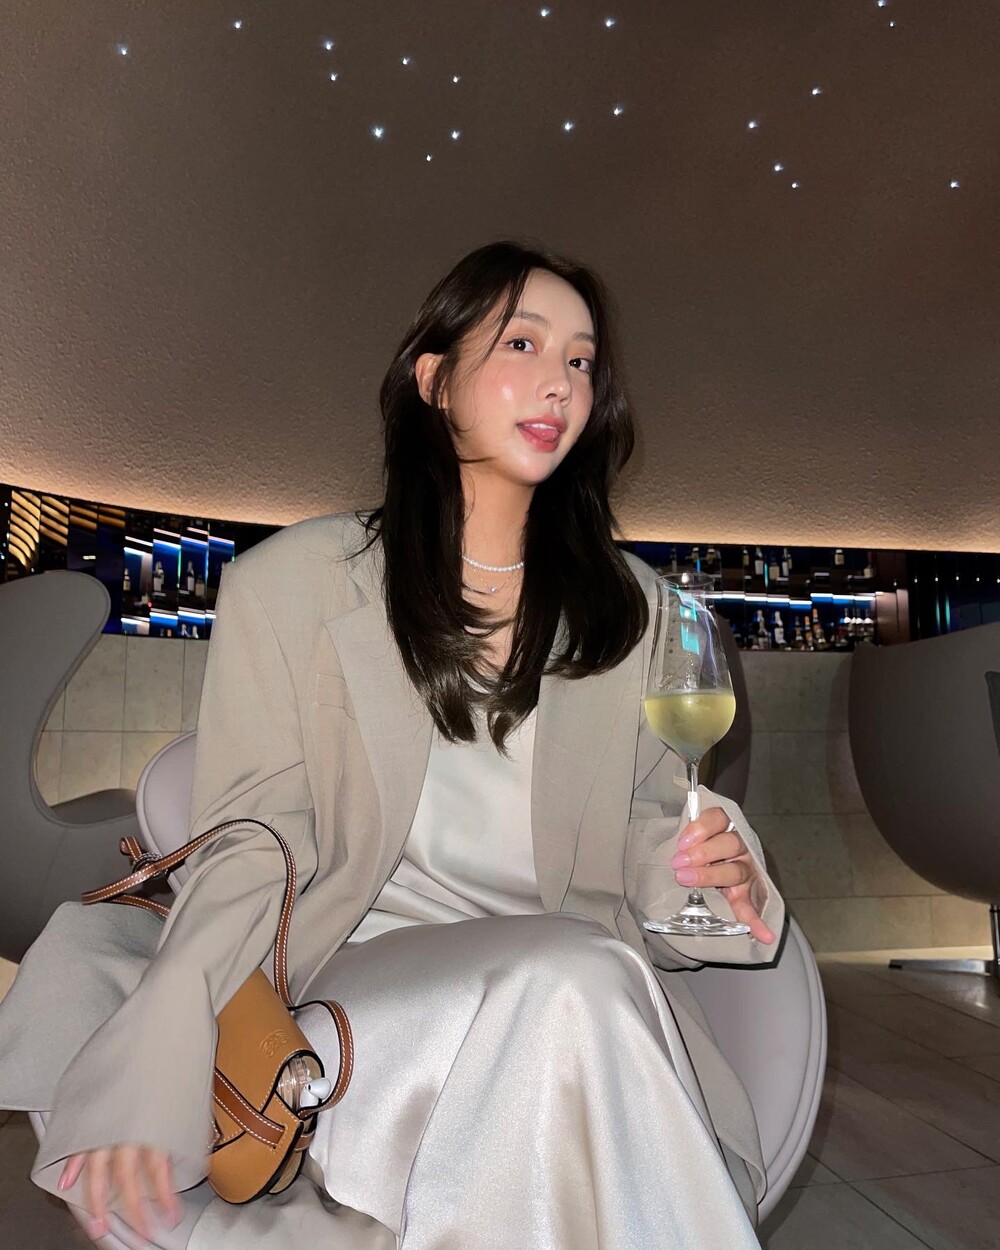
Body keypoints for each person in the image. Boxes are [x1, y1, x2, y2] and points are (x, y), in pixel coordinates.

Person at [0, 240, 784, 1249]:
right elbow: (253, 842)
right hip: (362, 982)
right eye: (523, 343)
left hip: (578, 967)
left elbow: (645, 830)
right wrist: (156, 1051)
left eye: (582, 360)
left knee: (575, 976)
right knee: (572, 980)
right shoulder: (295, 584)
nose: (560, 381)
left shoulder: (636, 610)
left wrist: (709, 876)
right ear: (434, 379)